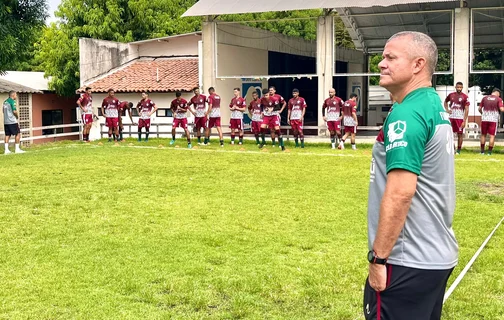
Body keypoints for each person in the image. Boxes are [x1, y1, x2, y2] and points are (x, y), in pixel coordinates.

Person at [364, 31, 458, 320]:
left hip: (406, 260)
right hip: (436, 255)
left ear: (418, 65)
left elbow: (401, 192)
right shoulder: (432, 105)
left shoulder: (407, 114)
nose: (381, 64)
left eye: (391, 57)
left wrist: (378, 259)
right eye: (382, 57)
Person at [444, 82, 470, 155]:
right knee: (450, 134)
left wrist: (464, 121)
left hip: (460, 118)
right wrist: (447, 110)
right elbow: (445, 101)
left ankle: (459, 150)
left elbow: (467, 109)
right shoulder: (451, 95)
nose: (459, 89)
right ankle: (452, 148)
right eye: (458, 87)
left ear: (462, 88)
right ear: (455, 87)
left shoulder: (465, 97)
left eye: (460, 87)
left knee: (460, 134)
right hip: (451, 117)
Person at [478, 88, 504, 155]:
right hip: (493, 119)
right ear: (497, 93)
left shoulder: (485, 98)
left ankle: (482, 151)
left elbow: (479, 108)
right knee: (492, 136)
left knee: (483, 135)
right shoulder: (499, 99)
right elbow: (501, 109)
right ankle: (489, 152)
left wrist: (482, 114)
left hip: (484, 118)